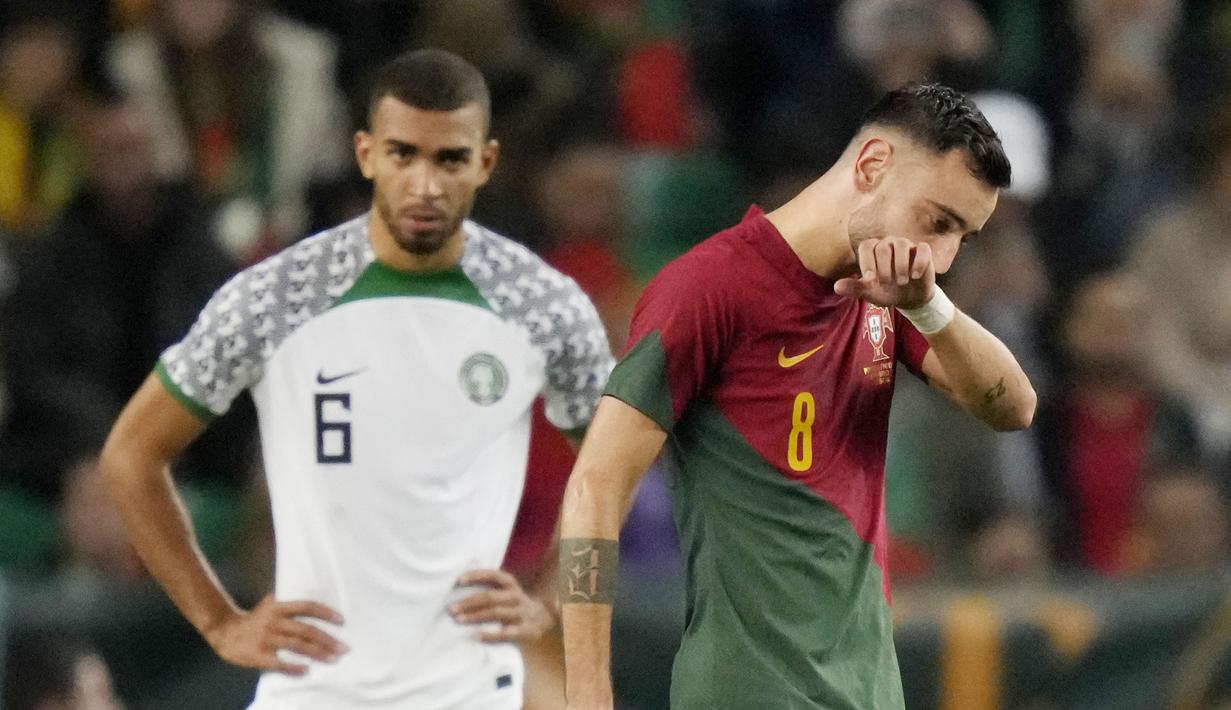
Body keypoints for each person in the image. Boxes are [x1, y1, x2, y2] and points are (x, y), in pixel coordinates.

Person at [99, 49, 612, 709]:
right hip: (311, 693)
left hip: (470, 692)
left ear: (485, 162)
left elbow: (613, 473)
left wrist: (554, 596)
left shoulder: (543, 305)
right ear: (366, 154)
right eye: (403, 154)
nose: (424, 184)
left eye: (448, 159)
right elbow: (131, 455)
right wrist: (217, 620)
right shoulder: (276, 297)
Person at [559, 83, 1037, 709]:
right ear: (872, 166)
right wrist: (587, 691)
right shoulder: (709, 287)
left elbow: (1014, 407)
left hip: (869, 692)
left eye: (963, 240)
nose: (942, 257)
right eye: (938, 223)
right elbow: (596, 485)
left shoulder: (894, 299)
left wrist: (930, 306)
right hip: (748, 691)